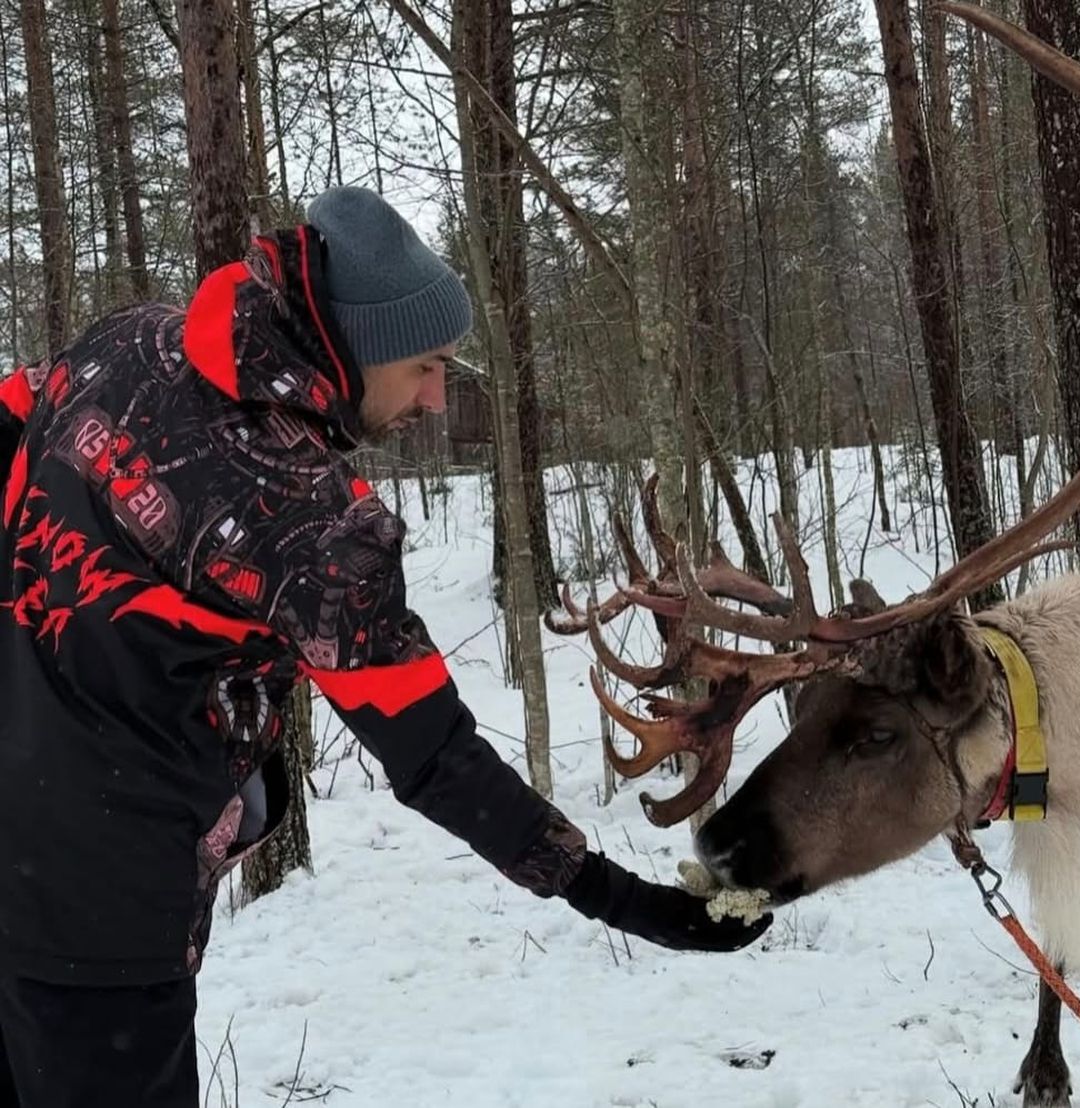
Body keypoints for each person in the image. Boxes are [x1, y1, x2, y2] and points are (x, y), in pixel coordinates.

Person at [0, 186, 770, 1106]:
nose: (440, 397)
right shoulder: (312, 527)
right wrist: (624, 900)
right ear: (354, 349)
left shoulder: (128, 342)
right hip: (102, 919)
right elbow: (435, 752)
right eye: (427, 366)